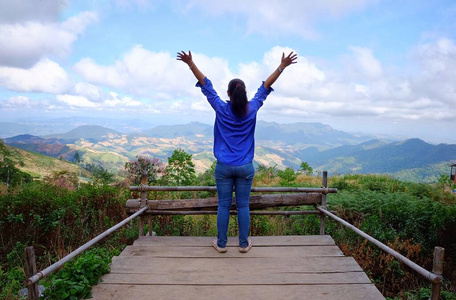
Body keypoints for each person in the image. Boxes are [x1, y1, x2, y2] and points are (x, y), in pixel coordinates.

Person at [177, 50, 297, 253]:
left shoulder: (221, 109)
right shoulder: (253, 108)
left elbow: (206, 85)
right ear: (245, 94)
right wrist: (281, 67)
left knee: (223, 206)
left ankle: (222, 245)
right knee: (243, 206)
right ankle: (243, 244)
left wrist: (190, 63)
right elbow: (266, 86)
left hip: (224, 167)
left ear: (228, 94)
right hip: (245, 167)